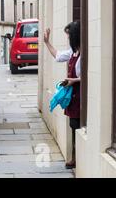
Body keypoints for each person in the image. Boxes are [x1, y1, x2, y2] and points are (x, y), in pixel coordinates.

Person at [43, 21, 81, 169]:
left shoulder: (83, 53)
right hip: (72, 95)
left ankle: (76, 158)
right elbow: (58, 56)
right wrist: (47, 42)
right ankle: (74, 157)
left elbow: (88, 76)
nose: (67, 39)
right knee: (73, 125)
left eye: (69, 36)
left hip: (79, 95)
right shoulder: (73, 52)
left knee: (77, 125)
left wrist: (73, 81)